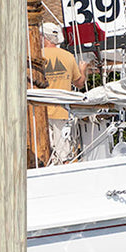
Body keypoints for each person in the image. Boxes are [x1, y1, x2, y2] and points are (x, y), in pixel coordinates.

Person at [39, 22, 87, 162]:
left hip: (41, 112)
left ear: (43, 37)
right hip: (62, 111)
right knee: (64, 153)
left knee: (43, 153)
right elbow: (79, 83)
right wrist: (82, 70)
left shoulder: (35, 56)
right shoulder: (68, 56)